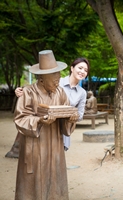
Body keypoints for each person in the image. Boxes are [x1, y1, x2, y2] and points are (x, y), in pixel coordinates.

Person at [14, 50, 79, 199]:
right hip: (36, 145)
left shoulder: (60, 92)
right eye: (53, 77)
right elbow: (20, 118)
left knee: (55, 180)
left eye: (58, 75)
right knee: (34, 183)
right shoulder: (29, 92)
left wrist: (71, 118)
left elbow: (66, 114)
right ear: (42, 79)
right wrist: (39, 120)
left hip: (55, 144)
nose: (58, 80)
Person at [6, 57, 90, 155]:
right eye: (80, 68)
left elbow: (80, 114)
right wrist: (22, 90)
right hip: (42, 127)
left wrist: (71, 117)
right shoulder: (57, 82)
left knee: (56, 157)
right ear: (72, 68)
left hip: (61, 128)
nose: (82, 71)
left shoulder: (82, 93)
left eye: (86, 70)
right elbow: (37, 88)